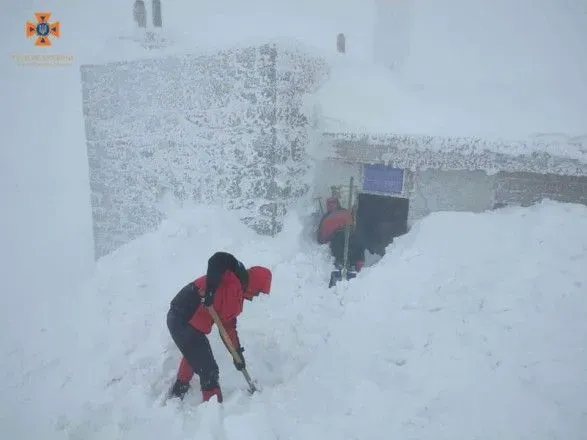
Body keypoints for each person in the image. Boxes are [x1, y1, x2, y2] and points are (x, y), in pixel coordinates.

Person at [166, 251, 272, 403]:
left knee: (196, 352)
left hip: (193, 325)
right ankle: (214, 410)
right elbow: (218, 259)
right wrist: (210, 290)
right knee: (209, 370)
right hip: (181, 315)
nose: (256, 296)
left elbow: (228, 328)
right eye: (258, 291)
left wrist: (237, 354)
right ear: (255, 283)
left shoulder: (236, 300)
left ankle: (179, 390)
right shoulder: (232, 278)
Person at [317, 196, 366, 285]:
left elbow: (321, 237)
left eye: (333, 204)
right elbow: (322, 234)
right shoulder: (339, 213)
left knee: (347, 247)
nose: (332, 206)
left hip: (343, 234)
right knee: (349, 247)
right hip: (343, 234)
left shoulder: (334, 214)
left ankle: (348, 264)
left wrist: (323, 240)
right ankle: (349, 265)